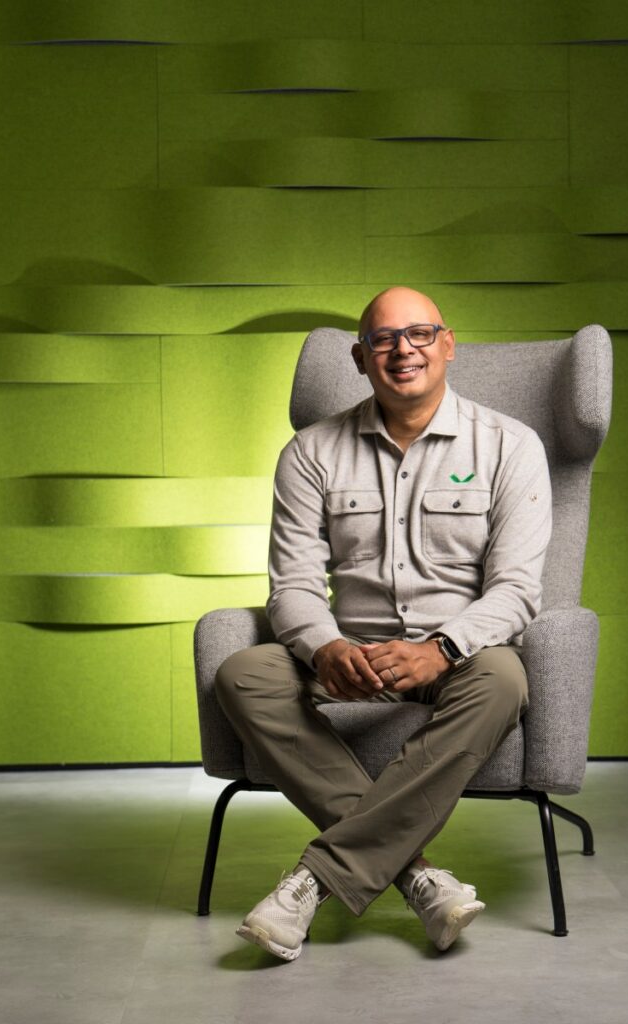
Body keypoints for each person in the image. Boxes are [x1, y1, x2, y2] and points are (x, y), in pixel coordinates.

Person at [215, 286, 552, 961]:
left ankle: (316, 879)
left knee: (503, 680)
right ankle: (417, 876)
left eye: (419, 334)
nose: (403, 350)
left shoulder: (510, 446)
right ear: (359, 357)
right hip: (351, 657)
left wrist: (442, 648)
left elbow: (516, 589)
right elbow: (293, 585)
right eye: (383, 339)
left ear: (447, 345)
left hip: (460, 656)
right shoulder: (310, 452)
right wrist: (324, 647)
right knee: (243, 673)